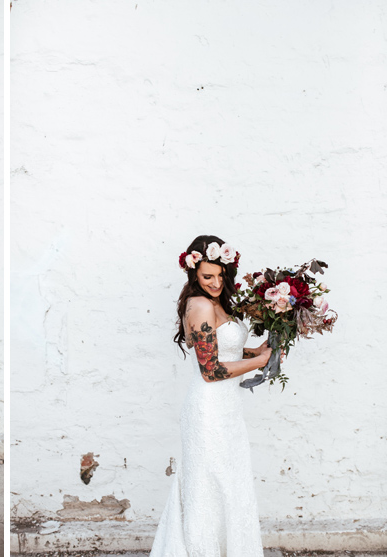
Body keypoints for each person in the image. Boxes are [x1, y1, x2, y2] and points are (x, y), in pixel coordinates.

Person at [150, 235, 272, 556]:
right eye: (208, 276)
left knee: (228, 485)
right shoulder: (200, 304)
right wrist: (257, 362)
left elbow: (223, 347)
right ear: (193, 273)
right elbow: (211, 369)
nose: (217, 282)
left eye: (221, 275)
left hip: (227, 408)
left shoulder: (215, 301)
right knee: (207, 488)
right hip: (207, 410)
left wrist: (257, 350)